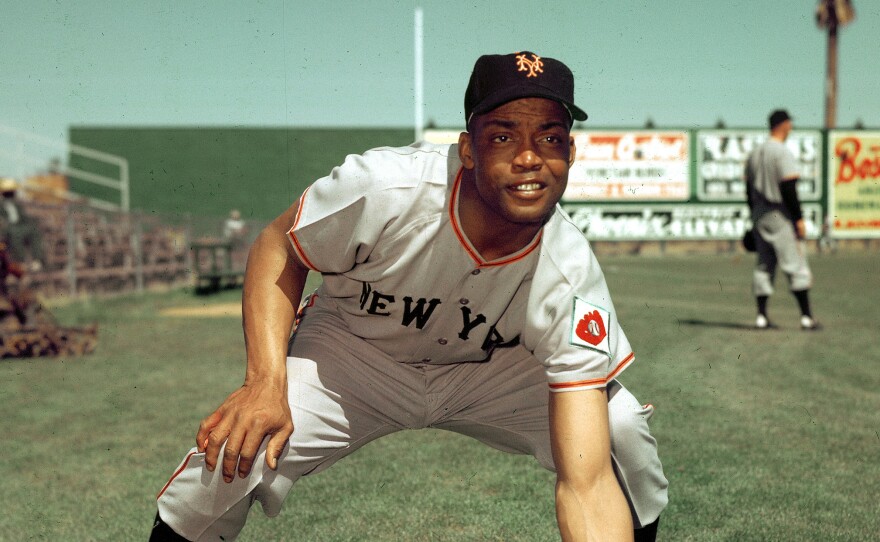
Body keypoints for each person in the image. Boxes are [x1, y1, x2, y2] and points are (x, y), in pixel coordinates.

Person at [150, 51, 668, 541]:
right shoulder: (386, 188)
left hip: (489, 372)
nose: (529, 157)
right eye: (504, 136)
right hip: (353, 355)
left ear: (571, 154)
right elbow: (278, 245)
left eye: (550, 138)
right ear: (468, 149)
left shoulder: (570, 269)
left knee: (618, 427)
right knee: (237, 445)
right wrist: (265, 381)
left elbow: (588, 484)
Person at [744, 110, 821, 331]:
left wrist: (753, 217)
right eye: (790, 123)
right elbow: (788, 188)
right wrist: (798, 219)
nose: (791, 127)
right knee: (795, 265)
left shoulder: (754, 153)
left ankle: (761, 317)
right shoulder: (781, 152)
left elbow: (748, 191)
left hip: (760, 214)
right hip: (780, 215)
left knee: (763, 266)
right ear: (784, 124)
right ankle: (806, 317)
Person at [0, 177, 46, 272]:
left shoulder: (17, 205)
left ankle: (37, 260)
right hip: (8, 228)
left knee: (34, 231)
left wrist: (32, 222)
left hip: (20, 225)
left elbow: (24, 217)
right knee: (15, 234)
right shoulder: (1, 205)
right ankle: (21, 261)